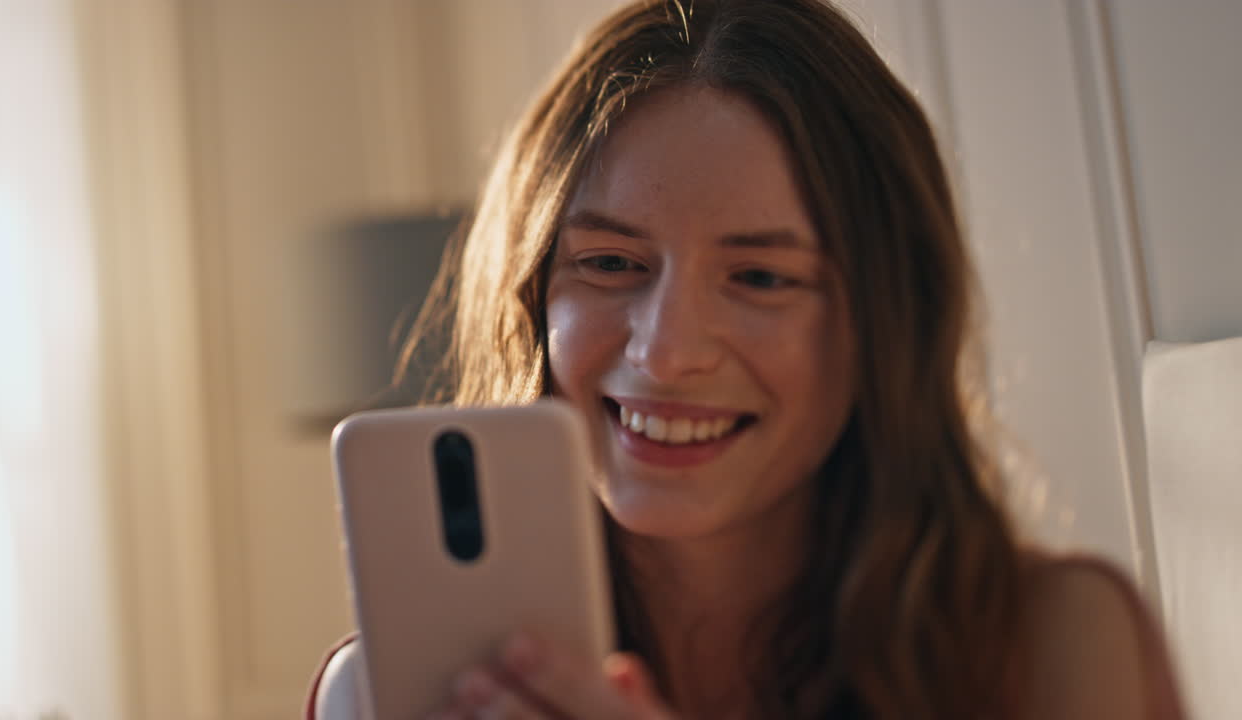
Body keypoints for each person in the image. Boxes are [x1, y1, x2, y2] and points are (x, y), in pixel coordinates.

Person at [308, 0, 1186, 717]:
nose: (668, 351)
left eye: (762, 276)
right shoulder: (378, 695)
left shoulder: (1054, 647)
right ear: (535, 297)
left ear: (884, 316)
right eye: (611, 264)